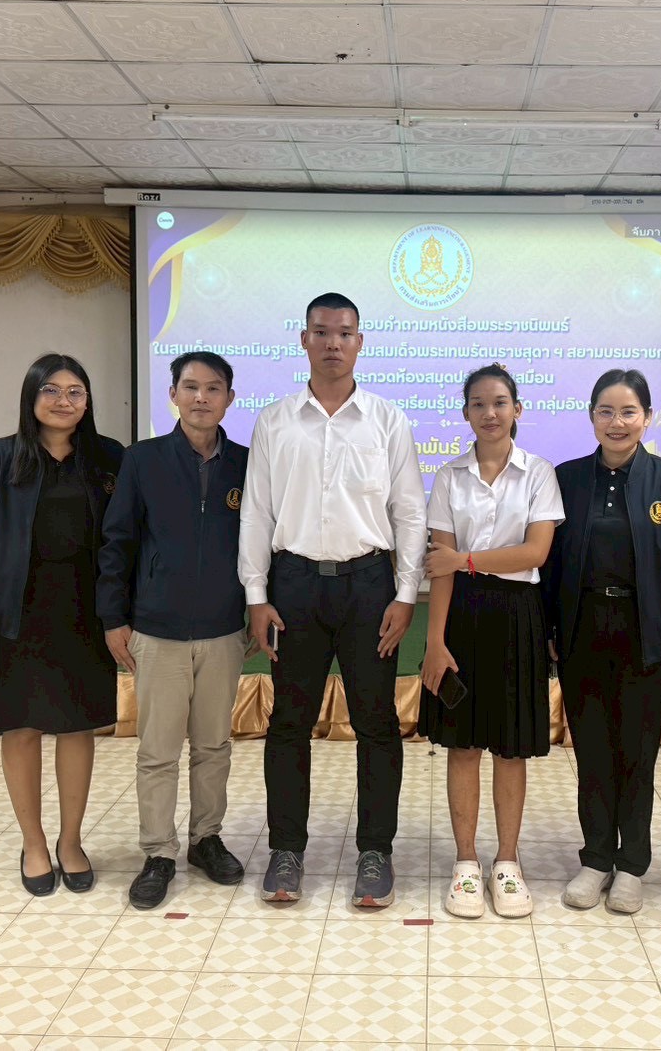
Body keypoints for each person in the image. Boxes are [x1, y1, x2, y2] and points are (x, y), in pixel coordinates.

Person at [239, 292, 427, 908]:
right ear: (304, 340)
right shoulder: (274, 421)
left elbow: (409, 512)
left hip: (369, 586)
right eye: (321, 332)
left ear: (360, 342)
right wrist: (257, 594)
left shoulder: (387, 420)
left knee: (376, 722)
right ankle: (286, 851)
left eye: (344, 333)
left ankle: (375, 852)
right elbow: (257, 513)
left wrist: (406, 593)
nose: (332, 344)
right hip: (293, 586)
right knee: (289, 722)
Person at [0, 353, 124, 897]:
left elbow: (123, 542)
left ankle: (71, 841)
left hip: (84, 615)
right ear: (31, 397)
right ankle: (33, 843)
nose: (63, 401)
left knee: (77, 726)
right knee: (22, 727)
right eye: (51, 390)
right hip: (17, 618)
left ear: (88, 401)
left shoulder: (108, 457)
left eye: (75, 391)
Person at [544, 369, 661, 915]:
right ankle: (595, 860)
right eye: (606, 412)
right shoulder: (567, 478)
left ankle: (632, 864)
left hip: (646, 635)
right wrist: (551, 630)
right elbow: (551, 565)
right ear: (591, 417)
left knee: (637, 753)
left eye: (629, 412)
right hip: (584, 630)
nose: (617, 422)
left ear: (647, 418)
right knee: (592, 751)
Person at [98, 351, 250, 911]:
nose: (201, 397)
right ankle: (158, 852)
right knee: (158, 750)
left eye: (213, 388)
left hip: (223, 629)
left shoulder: (247, 464)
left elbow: (263, 543)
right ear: (173, 395)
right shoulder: (143, 460)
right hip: (157, 630)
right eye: (190, 387)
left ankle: (205, 839)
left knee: (213, 745)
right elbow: (118, 542)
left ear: (229, 398)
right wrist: (114, 617)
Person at [420, 364, 564, 919]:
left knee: (510, 746)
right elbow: (440, 567)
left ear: (517, 409)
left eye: (500, 402)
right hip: (461, 616)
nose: (490, 413)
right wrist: (434, 642)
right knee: (462, 744)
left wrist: (466, 559)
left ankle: (507, 862)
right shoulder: (448, 476)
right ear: (465, 413)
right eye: (478, 404)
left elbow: (535, 552)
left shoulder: (538, 473)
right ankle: (465, 862)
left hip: (516, 613)